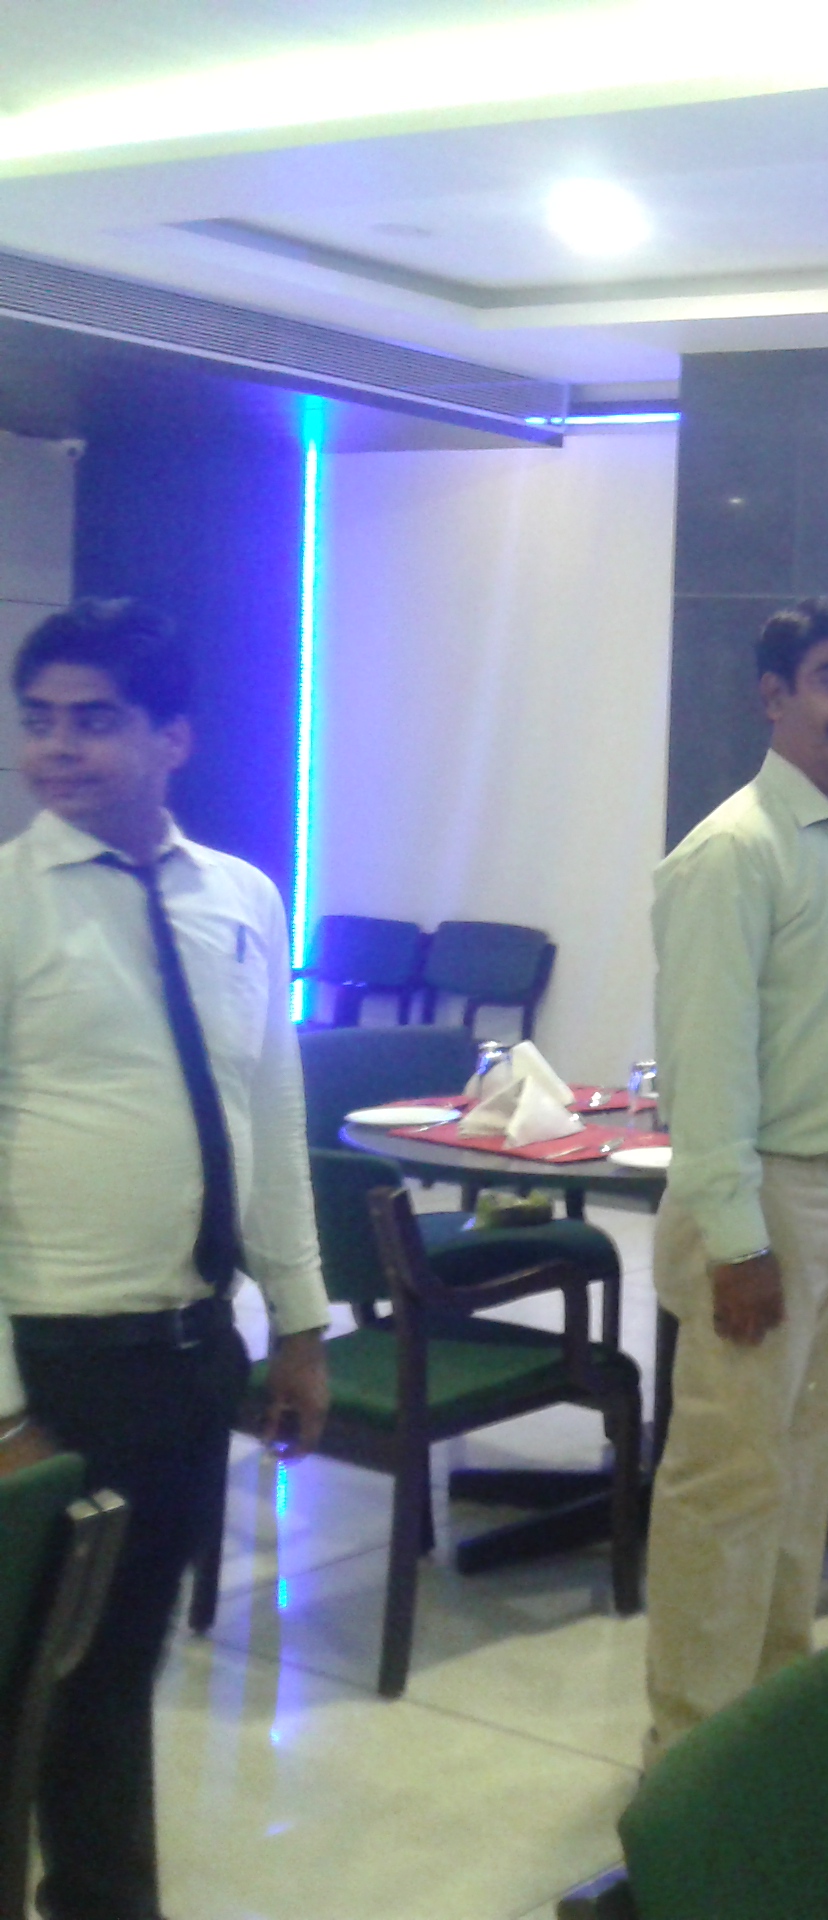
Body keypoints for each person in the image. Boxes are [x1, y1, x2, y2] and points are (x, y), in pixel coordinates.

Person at [2, 599, 332, 1920]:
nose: (57, 748)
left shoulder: (241, 897)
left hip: (192, 1350)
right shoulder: (6, 904)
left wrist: (299, 1325)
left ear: (172, 737)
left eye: (94, 721)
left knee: (116, 1666)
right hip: (54, 1359)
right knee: (36, 1679)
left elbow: (272, 1115)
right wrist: (4, 1411)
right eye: (39, 721)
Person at [644, 597, 828, 1762]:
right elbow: (707, 1067)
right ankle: (689, 1757)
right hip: (764, 1205)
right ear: (774, 696)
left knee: (805, 1472)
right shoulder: (734, 854)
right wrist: (737, 1241)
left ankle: (766, 1722)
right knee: (725, 1486)